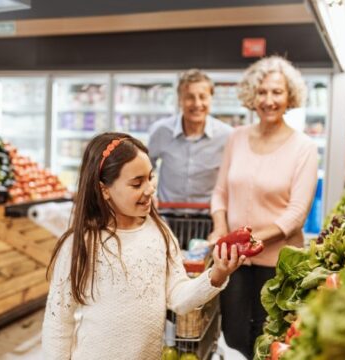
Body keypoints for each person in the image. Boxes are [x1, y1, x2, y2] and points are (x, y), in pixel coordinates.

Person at [41, 132, 244, 359]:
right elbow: (58, 321)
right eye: (137, 183)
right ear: (104, 189)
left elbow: (178, 298)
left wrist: (217, 273)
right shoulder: (81, 244)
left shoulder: (160, 233)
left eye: (150, 177)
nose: (149, 189)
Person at [209, 56, 319, 359]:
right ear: (251, 97)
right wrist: (220, 228)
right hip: (233, 261)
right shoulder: (236, 138)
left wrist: (253, 241)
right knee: (232, 335)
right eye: (262, 92)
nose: (268, 100)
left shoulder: (304, 148)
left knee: (268, 338)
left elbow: (296, 214)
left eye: (277, 92)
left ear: (290, 97)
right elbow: (220, 192)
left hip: (279, 261)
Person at [148, 69, 233, 207]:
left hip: (209, 217)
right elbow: (145, 167)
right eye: (190, 97)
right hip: (167, 214)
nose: (197, 104)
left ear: (211, 98)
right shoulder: (161, 131)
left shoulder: (227, 136)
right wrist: (149, 193)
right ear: (180, 100)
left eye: (203, 96)